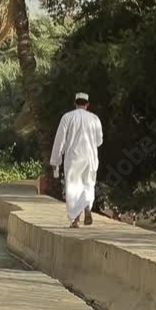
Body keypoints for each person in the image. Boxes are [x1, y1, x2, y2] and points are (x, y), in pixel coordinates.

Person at [50, 92, 103, 228]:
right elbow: (99, 141)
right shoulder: (95, 119)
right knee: (88, 184)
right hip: (90, 157)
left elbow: (59, 141)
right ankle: (87, 208)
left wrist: (56, 162)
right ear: (87, 104)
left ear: (75, 103)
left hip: (73, 158)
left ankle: (75, 220)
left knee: (73, 188)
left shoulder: (67, 117)